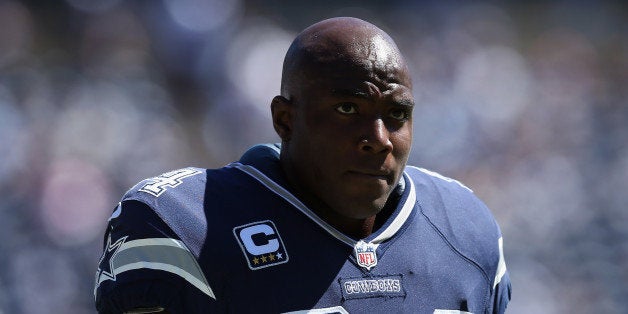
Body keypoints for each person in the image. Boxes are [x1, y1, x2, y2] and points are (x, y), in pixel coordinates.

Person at [94, 17, 511, 313]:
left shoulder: (464, 228)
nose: (379, 139)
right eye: (349, 108)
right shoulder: (180, 222)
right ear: (285, 120)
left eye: (397, 114)